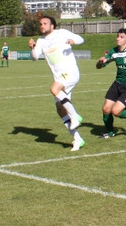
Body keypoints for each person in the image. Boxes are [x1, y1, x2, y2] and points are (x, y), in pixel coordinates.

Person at [28, 16, 85, 151]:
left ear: (52, 25)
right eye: (40, 24)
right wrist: (32, 47)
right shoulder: (41, 41)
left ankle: (75, 115)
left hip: (70, 72)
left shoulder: (62, 33)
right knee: (60, 108)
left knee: (54, 89)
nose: (42, 26)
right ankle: (78, 139)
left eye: (45, 23)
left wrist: (73, 41)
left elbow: (81, 39)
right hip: (59, 77)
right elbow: (35, 57)